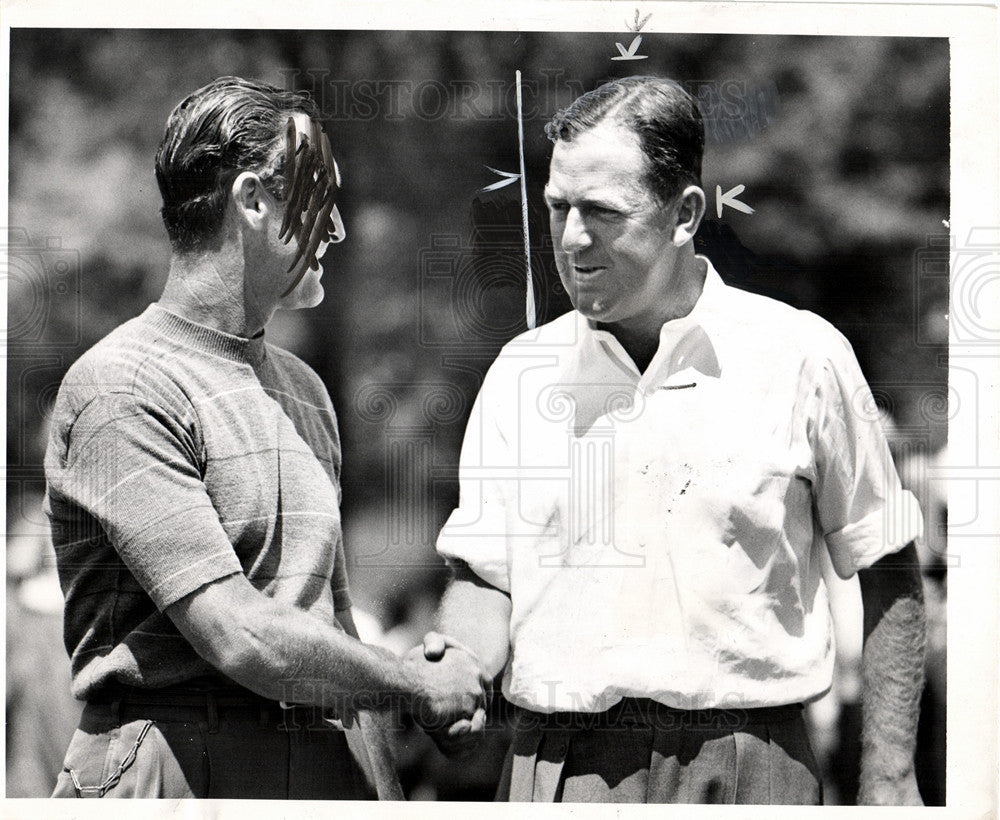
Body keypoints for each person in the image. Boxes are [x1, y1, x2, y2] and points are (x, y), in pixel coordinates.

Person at [425, 76, 927, 805]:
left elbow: (888, 566)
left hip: (755, 768)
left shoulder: (801, 357)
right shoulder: (519, 373)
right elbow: (485, 580)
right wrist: (454, 664)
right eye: (558, 208)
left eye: (602, 212)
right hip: (561, 770)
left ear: (685, 213)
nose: (571, 239)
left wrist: (890, 779)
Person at [43, 76, 489, 800]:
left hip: (325, 758)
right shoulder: (122, 387)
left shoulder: (305, 390)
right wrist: (411, 683)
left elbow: (327, 621)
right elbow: (240, 636)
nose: (338, 231)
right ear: (252, 201)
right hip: (178, 763)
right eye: (323, 199)